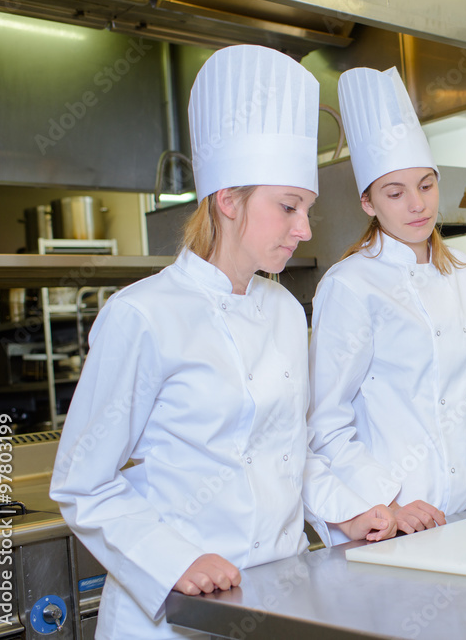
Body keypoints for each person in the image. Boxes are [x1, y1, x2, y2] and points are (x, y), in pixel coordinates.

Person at [50, 45, 396, 640]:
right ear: (227, 200)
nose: (305, 229)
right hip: (174, 619)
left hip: (278, 600)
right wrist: (174, 560)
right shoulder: (143, 315)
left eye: (307, 209)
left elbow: (290, 453)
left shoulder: (286, 310)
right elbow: (83, 483)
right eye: (288, 206)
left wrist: (348, 509)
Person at [308, 66, 466, 542]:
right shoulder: (351, 285)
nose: (417, 205)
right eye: (395, 192)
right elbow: (325, 421)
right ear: (368, 203)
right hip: (406, 523)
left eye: (426, 185)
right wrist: (386, 503)